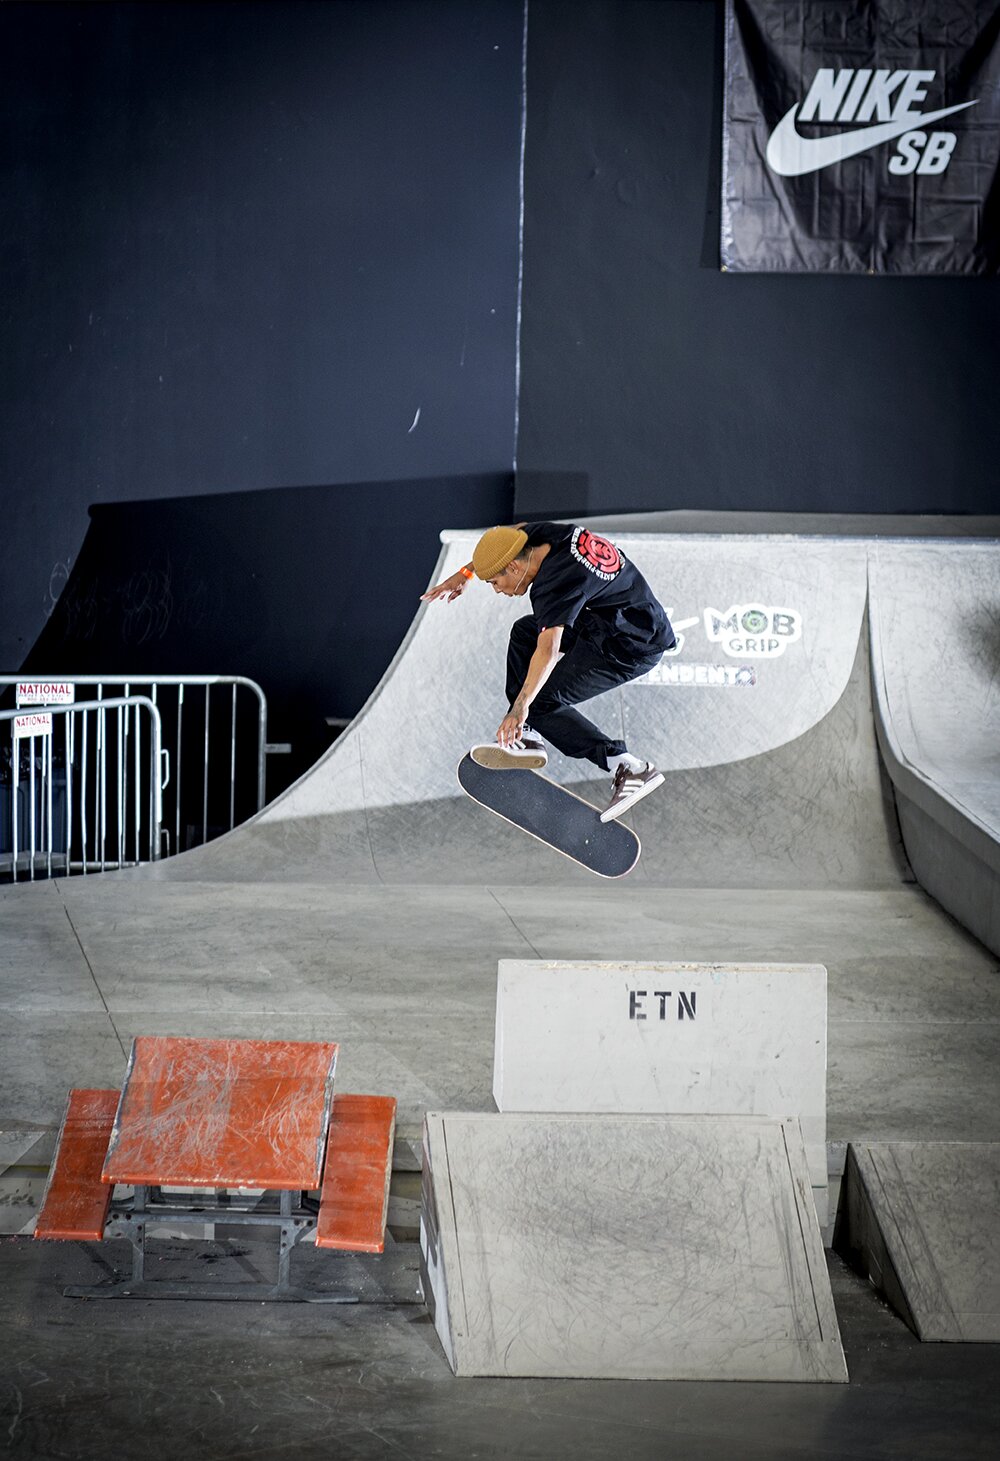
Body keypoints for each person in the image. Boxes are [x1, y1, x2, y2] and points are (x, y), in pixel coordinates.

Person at [421, 521, 675, 821]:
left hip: (629, 646)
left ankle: (627, 766)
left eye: (494, 583)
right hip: (611, 621)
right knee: (524, 632)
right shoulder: (544, 536)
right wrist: (466, 573)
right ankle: (527, 736)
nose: (497, 590)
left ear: (514, 568)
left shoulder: (554, 585)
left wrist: (520, 707)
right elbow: (509, 534)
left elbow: (548, 650)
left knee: (540, 703)